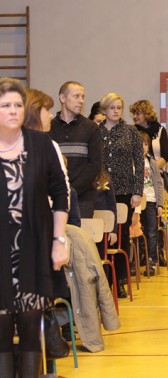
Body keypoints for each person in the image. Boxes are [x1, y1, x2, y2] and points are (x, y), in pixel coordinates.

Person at [0, 78, 69, 377]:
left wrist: (59, 240)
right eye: (5, 106)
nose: (13, 111)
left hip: (34, 249)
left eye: (17, 104)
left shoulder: (42, 144)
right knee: (1, 332)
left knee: (30, 328)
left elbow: (61, 193)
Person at [99, 92, 144, 299]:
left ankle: (120, 281)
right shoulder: (96, 131)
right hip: (101, 190)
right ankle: (103, 281)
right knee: (102, 236)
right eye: (112, 107)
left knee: (121, 236)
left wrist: (137, 191)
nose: (116, 111)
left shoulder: (130, 131)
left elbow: (139, 162)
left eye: (119, 107)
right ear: (104, 110)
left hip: (124, 190)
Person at [49, 81, 102, 218]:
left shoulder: (91, 128)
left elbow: (94, 164)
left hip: (82, 198)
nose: (81, 101)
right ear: (62, 98)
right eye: (76, 96)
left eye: (83, 97)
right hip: (54, 196)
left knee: (80, 238)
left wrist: (71, 190)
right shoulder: (48, 127)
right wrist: (59, 190)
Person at [135, 131, 164, 276]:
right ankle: (136, 262)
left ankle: (152, 261)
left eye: (145, 144)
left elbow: (158, 183)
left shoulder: (151, 162)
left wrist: (160, 204)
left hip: (151, 201)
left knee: (152, 232)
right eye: (140, 144)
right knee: (137, 232)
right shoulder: (132, 162)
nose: (143, 147)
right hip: (137, 203)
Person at [131, 100, 168, 170]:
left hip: (157, 173)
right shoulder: (132, 132)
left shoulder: (160, 130)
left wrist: (150, 170)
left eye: (137, 114)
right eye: (133, 114)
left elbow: (165, 156)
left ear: (146, 114)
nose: (134, 116)